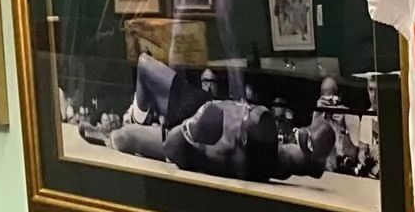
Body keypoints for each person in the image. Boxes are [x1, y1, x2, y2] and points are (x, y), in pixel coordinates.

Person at [81, 50, 325, 184]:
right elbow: (304, 163)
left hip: (191, 132)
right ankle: (139, 115)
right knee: (145, 64)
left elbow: (173, 150)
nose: (242, 109)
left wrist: (191, 129)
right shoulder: (277, 155)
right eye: (248, 109)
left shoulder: (222, 152)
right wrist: (313, 146)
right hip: (202, 105)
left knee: (126, 137)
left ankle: (115, 132)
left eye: (243, 118)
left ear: (240, 139)